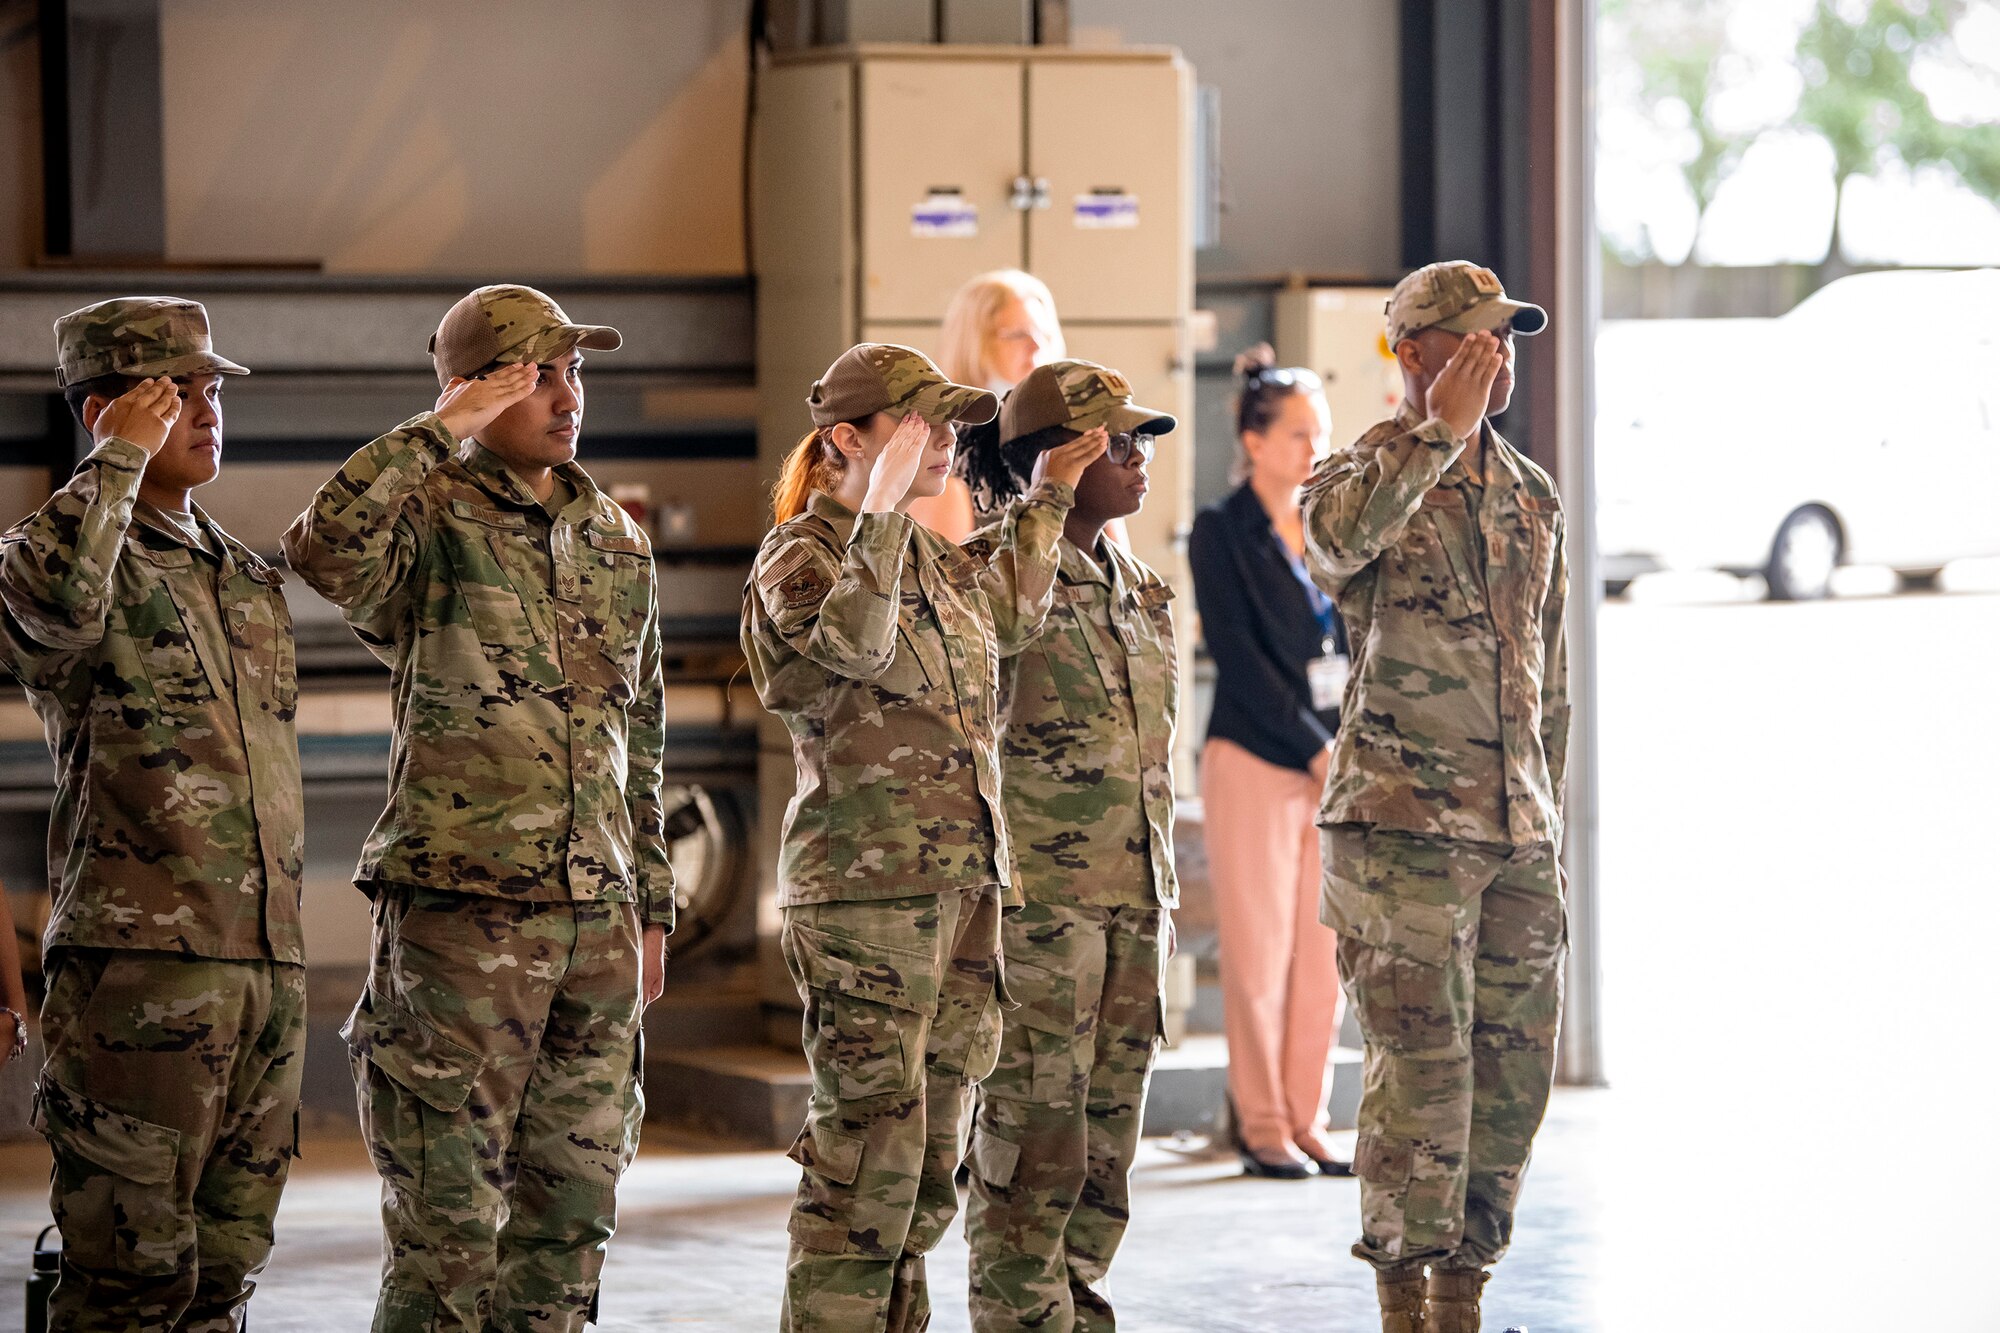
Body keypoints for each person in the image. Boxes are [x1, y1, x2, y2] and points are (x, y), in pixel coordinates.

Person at [283, 285, 671, 1333]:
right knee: (449, 1236)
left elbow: (642, 737)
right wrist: (437, 428)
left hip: (596, 919)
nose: (565, 394)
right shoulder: (426, 515)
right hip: (462, 923)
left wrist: (653, 907)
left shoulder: (613, 539)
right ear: (471, 387)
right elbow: (320, 549)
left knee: (570, 1226)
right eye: (534, 373)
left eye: (572, 371)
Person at [741, 343, 1103, 1333]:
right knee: (863, 1173)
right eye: (919, 423)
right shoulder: (801, 555)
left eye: (946, 424)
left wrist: (1047, 492)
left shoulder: (930, 560)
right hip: (868, 907)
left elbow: (1016, 613)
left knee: (923, 1182)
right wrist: (879, 510)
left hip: (960, 897)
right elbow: (851, 647)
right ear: (844, 439)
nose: (943, 441)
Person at [0, 299, 305, 1330]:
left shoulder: (244, 576)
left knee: (223, 1274)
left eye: (213, 390)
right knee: (128, 1283)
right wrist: (113, 466)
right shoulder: (60, 554)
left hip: (264, 970)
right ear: (106, 412)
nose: (209, 411)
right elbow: (52, 607)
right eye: (176, 393)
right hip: (141, 976)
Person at [1302, 261, 1568, 1333]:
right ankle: (1403, 1303)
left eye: (1503, 340)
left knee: (1512, 1070)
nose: (1494, 358)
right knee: (1419, 1074)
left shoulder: (1529, 491)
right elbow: (1333, 549)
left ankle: (1463, 1291)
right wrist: (1430, 435)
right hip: (1399, 829)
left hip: (1514, 830)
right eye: (1469, 341)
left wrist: (1545, 808)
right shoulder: (1355, 472)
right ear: (1412, 354)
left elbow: (1543, 673)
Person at [958, 361, 1179, 1331]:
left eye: (1139, 440)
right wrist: (1042, 502)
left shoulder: (1139, 585)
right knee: (1030, 1156)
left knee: (1102, 1160)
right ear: (1054, 455)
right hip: (1040, 917)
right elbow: (996, 633)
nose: (1135, 458)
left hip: (1130, 904)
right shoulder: (992, 568)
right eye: (1111, 441)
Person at [1187, 348, 1353, 1180]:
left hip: (1331, 766)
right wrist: (1316, 748)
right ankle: (1262, 1124)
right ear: (1254, 439)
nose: (1312, 449)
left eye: (1319, 433)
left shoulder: (1331, 527)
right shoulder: (1223, 531)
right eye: (1297, 434)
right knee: (1259, 953)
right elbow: (1241, 662)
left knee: (1322, 948)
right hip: (1257, 754)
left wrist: (1343, 751)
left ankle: (1309, 1115)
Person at [906, 269, 1066, 539]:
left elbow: (1114, 559)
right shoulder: (940, 440)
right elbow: (942, 575)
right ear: (973, 341)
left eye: (1045, 333)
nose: (1037, 346)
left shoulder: (1060, 431)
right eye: (1018, 334)